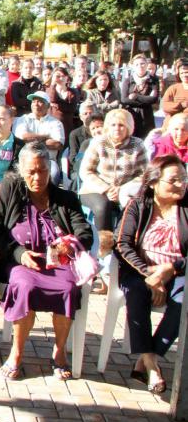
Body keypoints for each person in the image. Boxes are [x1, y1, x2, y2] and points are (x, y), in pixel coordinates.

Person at [0, 143, 93, 381]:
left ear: (50, 170)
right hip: (21, 262)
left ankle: (59, 351)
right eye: (31, 171)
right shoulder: (10, 190)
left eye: (42, 171)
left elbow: (85, 231)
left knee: (68, 288)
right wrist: (19, 253)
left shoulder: (65, 198)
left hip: (58, 263)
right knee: (25, 287)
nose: (37, 177)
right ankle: (16, 353)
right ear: (21, 170)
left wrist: (70, 244)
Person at [114, 155, 188, 394]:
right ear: (154, 182)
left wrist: (170, 269)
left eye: (184, 179)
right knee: (136, 292)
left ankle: (145, 360)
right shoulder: (138, 205)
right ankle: (153, 367)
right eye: (174, 180)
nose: (181, 184)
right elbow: (122, 244)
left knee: (184, 300)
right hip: (139, 271)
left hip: (177, 273)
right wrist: (150, 275)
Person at [78, 109, 147, 231]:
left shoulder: (137, 145)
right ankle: (105, 245)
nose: (117, 128)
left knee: (133, 206)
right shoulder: (98, 142)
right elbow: (86, 171)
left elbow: (145, 174)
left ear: (129, 127)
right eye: (113, 125)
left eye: (121, 125)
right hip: (96, 189)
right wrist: (106, 189)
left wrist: (122, 189)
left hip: (126, 189)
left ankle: (124, 242)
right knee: (102, 207)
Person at [12, 91, 65, 182]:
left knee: (54, 174)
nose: (36, 104)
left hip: (48, 160)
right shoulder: (23, 119)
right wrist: (46, 136)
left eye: (40, 101)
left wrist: (31, 141)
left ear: (48, 106)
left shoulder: (56, 123)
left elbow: (57, 144)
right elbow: (23, 137)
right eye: (33, 101)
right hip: (25, 159)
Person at [120, 54, 160, 138]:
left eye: (142, 63)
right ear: (133, 66)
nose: (140, 66)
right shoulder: (128, 81)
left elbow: (154, 99)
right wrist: (146, 99)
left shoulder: (153, 80)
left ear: (146, 65)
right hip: (131, 114)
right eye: (137, 64)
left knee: (146, 139)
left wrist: (135, 96)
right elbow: (124, 100)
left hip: (146, 115)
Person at [67, 113, 105, 192]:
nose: (96, 131)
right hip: (92, 178)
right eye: (93, 129)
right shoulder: (86, 144)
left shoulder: (114, 143)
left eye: (99, 127)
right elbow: (78, 163)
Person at [46, 67, 82, 140]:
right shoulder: (49, 90)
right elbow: (52, 99)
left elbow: (72, 108)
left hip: (67, 124)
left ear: (67, 77)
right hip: (52, 123)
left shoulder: (73, 91)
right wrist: (53, 83)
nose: (61, 78)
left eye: (63, 76)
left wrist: (56, 105)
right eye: (58, 76)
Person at [161, 57, 188, 125]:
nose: (185, 75)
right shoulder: (173, 89)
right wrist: (181, 105)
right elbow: (165, 106)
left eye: (187, 72)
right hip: (173, 124)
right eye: (182, 73)